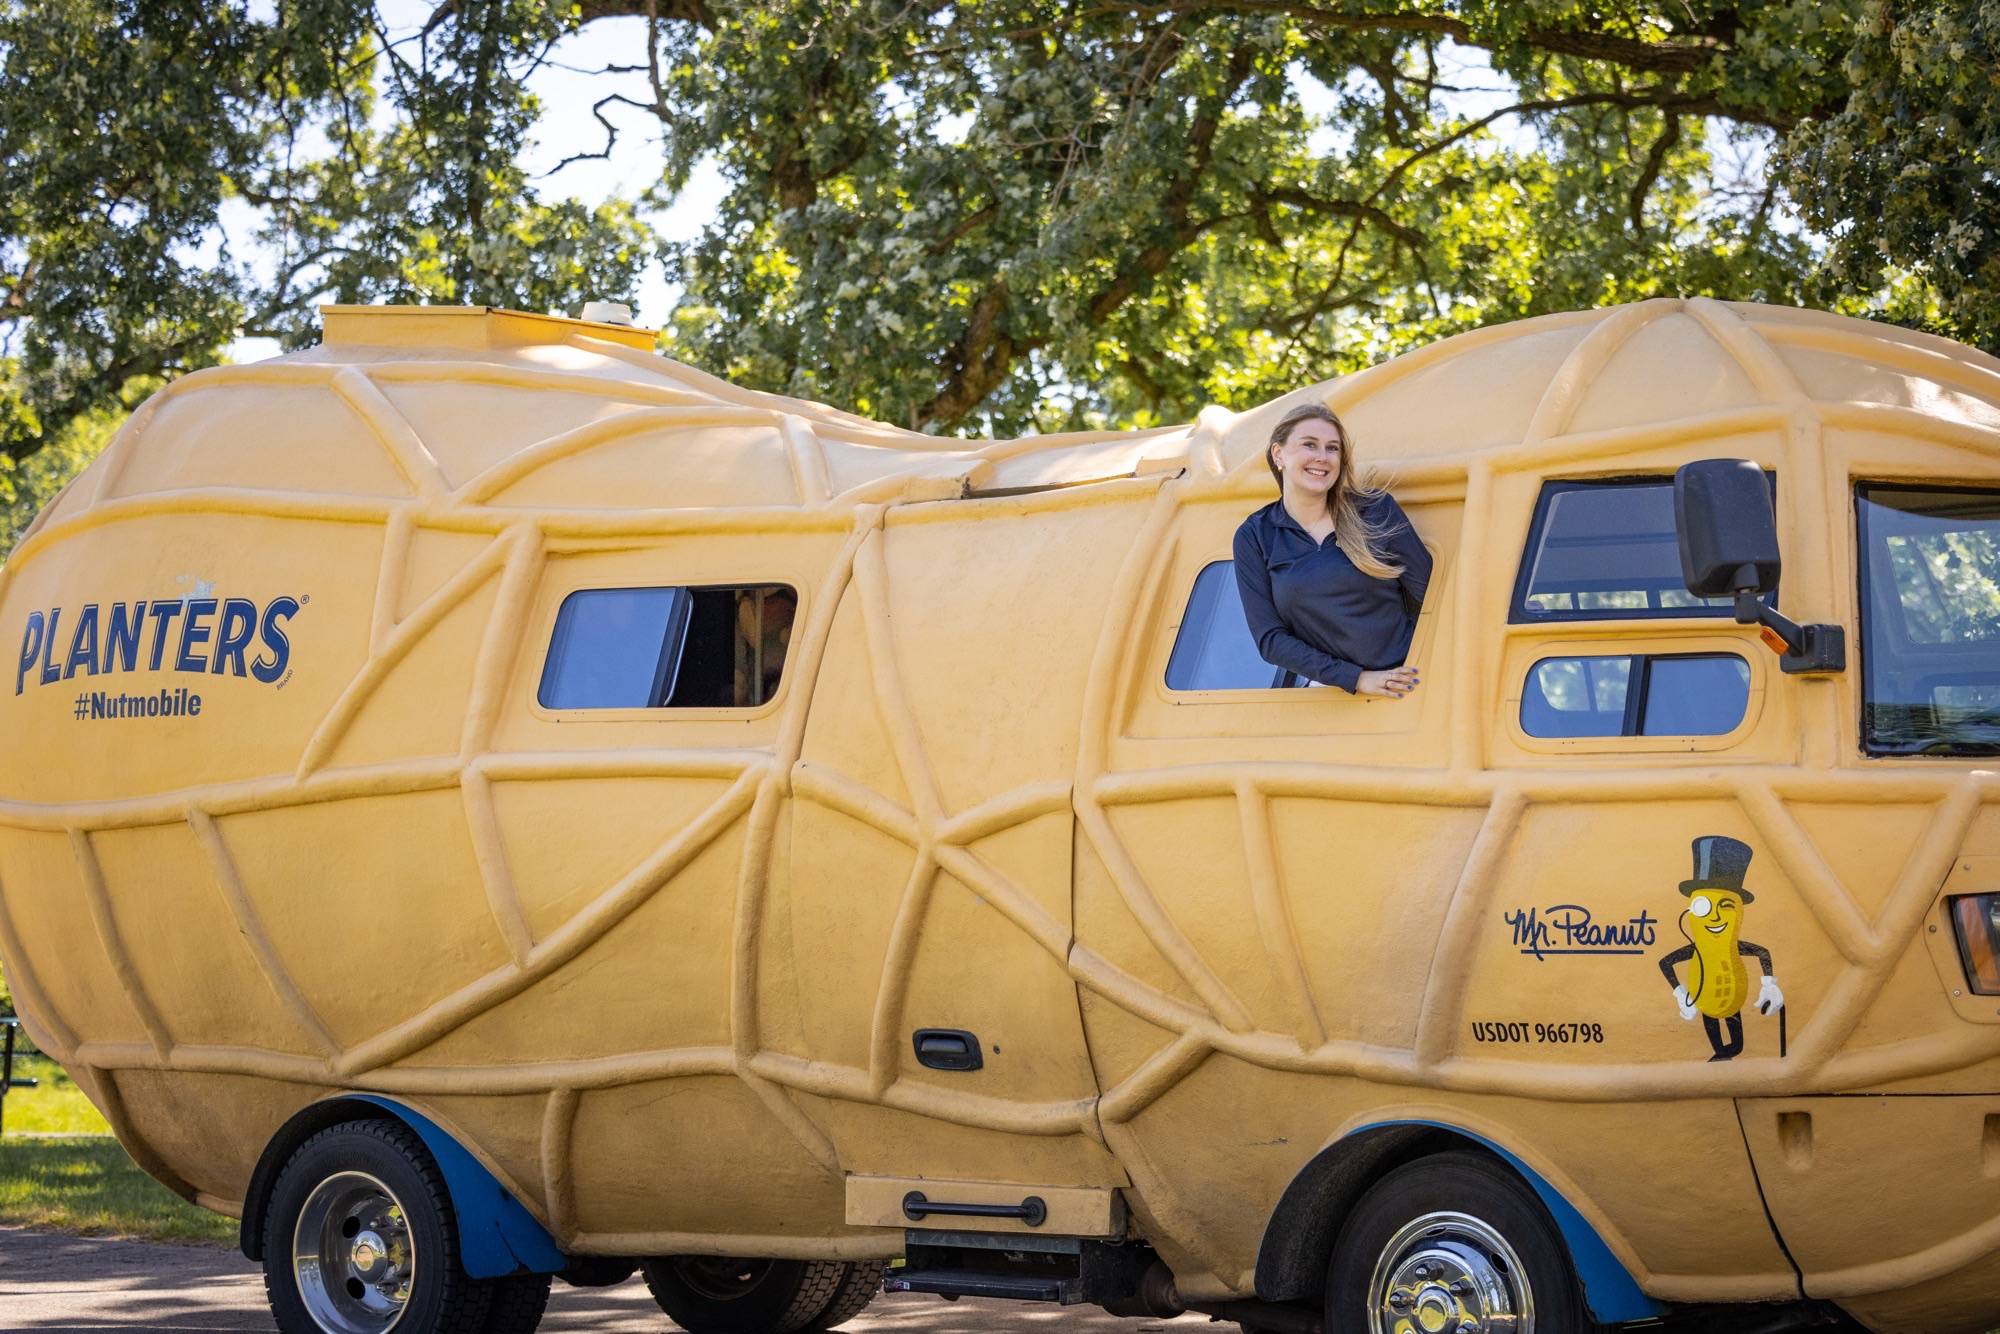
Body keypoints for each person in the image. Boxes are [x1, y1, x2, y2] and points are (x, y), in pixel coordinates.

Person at [1233, 403, 1431, 696]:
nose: (1322, 458)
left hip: (1409, 682)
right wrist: (1357, 678)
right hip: (1330, 693)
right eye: (1309, 445)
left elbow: (1433, 593)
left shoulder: (1375, 510)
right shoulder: (1255, 535)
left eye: (1332, 448)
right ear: (1279, 454)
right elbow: (1271, 640)